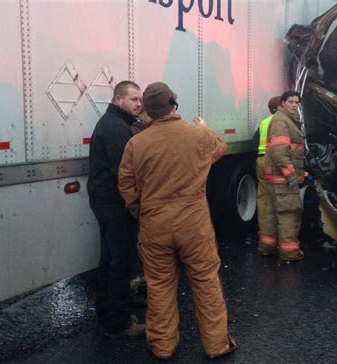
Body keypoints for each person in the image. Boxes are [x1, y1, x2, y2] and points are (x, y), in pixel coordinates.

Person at [118, 82, 236, 360]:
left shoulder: (136, 143)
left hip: (154, 225)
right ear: (174, 103)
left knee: (159, 286)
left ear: (147, 109)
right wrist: (205, 127)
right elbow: (220, 147)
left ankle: (162, 346)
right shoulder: (198, 136)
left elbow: (126, 185)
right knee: (206, 282)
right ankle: (217, 345)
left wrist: (142, 211)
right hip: (193, 224)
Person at [87, 80, 144, 336]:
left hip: (106, 201)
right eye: (134, 99)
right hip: (115, 204)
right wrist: (135, 203)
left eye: (141, 100)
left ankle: (108, 312)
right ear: (118, 100)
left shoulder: (115, 124)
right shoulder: (116, 128)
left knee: (110, 259)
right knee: (120, 261)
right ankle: (119, 322)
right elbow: (125, 172)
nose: (139, 104)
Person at [258, 90, 306, 261]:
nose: (294, 105)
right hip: (283, 180)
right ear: (282, 103)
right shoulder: (282, 121)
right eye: (291, 101)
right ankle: (289, 252)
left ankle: (267, 247)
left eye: (297, 102)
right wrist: (292, 176)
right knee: (288, 214)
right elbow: (280, 152)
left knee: (270, 213)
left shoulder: (282, 120)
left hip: (274, 178)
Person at [256, 96, 281, 247]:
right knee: (281, 200)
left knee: (264, 201)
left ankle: (266, 242)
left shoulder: (264, 122)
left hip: (261, 160)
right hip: (274, 161)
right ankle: (282, 239)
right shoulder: (280, 122)